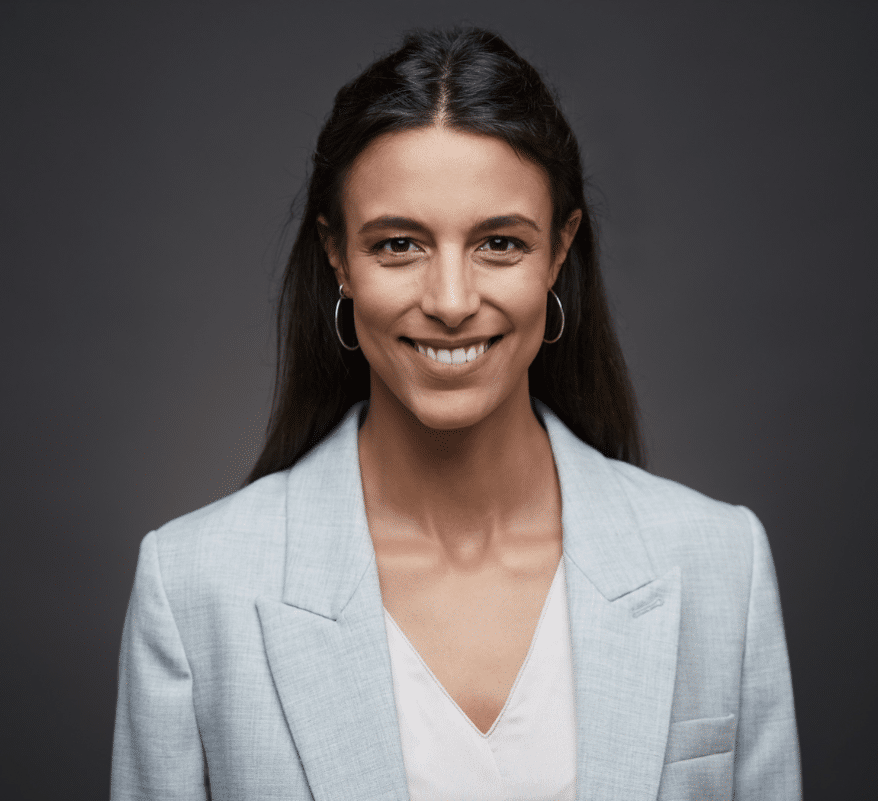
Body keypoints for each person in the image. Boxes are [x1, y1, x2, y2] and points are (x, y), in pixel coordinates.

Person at [111, 27, 800, 801]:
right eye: (398, 243)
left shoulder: (719, 565)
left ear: (559, 251)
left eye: (499, 243)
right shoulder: (196, 587)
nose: (449, 301)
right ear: (337, 257)